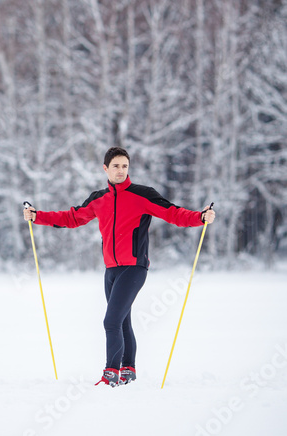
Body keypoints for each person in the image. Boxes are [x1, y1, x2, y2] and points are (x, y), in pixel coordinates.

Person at [23, 147, 215, 387]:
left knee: (111, 321)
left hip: (134, 268)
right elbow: (71, 218)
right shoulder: (98, 199)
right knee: (122, 321)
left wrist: (200, 217)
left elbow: (173, 214)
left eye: (125, 166)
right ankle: (128, 369)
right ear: (105, 168)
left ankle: (111, 372)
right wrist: (37, 216)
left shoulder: (142, 195)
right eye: (116, 166)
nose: (121, 170)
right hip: (111, 269)